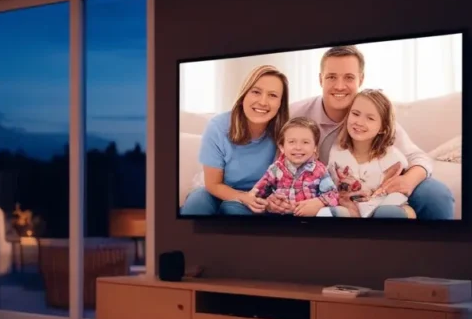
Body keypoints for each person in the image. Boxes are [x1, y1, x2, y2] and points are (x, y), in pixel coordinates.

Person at [271, 45, 455, 219]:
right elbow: (277, 162)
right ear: (321, 79)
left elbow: (419, 157)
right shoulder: (295, 113)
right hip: (325, 190)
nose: (340, 86)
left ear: (361, 79)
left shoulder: (373, 114)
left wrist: (408, 180)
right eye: (331, 77)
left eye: (349, 77)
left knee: (435, 195)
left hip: (379, 191)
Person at [179, 64, 290, 215]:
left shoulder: (286, 133)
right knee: (197, 202)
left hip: (259, 198)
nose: (263, 102)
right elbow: (213, 184)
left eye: (273, 95)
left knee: (234, 211)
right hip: (215, 191)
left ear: (280, 103)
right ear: (244, 94)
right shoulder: (218, 126)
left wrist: (270, 201)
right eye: (256, 92)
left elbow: (285, 183)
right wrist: (242, 197)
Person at [321, 89, 415, 218]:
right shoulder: (337, 154)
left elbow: (399, 194)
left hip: (383, 208)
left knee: (389, 213)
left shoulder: (393, 159)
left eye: (370, 118)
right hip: (349, 210)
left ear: (383, 128)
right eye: (355, 114)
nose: (359, 122)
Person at [249, 117, 339, 217]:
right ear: (282, 147)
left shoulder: (319, 170)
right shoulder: (275, 169)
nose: (298, 147)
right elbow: (256, 194)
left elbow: (333, 194)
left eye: (305, 142)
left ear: (315, 148)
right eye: (292, 142)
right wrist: (268, 203)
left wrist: (319, 202)